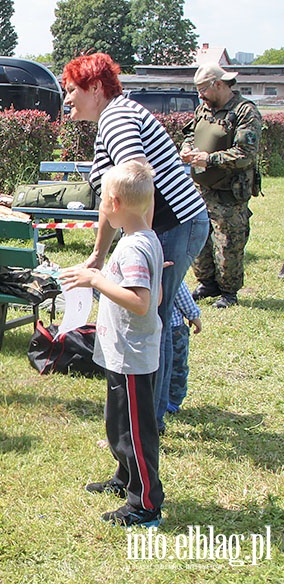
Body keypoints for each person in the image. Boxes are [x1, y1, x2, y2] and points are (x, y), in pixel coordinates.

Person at [62, 52, 210, 435]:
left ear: (95, 88)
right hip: (165, 228)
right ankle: (159, 408)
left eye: (71, 90)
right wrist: (98, 253)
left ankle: (149, 422)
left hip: (174, 225)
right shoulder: (112, 117)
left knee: (150, 321)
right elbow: (113, 200)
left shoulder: (117, 117)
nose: (66, 100)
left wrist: (144, 246)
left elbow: (135, 184)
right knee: (159, 318)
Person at [59, 162, 164, 528]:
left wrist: (96, 279)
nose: (101, 204)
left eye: (102, 198)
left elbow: (141, 301)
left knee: (136, 432)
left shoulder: (134, 247)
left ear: (115, 203)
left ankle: (145, 503)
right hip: (124, 353)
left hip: (133, 357)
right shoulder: (144, 237)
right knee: (119, 424)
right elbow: (158, 292)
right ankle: (124, 478)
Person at [180, 63, 263, 309]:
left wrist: (210, 159)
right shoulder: (203, 109)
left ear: (218, 84)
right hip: (201, 187)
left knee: (229, 242)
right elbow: (191, 135)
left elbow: (246, 153)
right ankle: (207, 283)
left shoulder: (245, 111)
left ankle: (228, 291)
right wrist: (187, 148)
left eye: (203, 90)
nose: (200, 96)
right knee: (199, 238)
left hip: (229, 190)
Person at [167, 282, 202, 414]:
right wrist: (193, 316)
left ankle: (173, 401)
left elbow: (181, 294)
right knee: (175, 366)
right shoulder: (170, 270)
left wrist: (193, 315)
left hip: (171, 328)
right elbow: (182, 294)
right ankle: (168, 399)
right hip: (170, 328)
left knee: (175, 366)